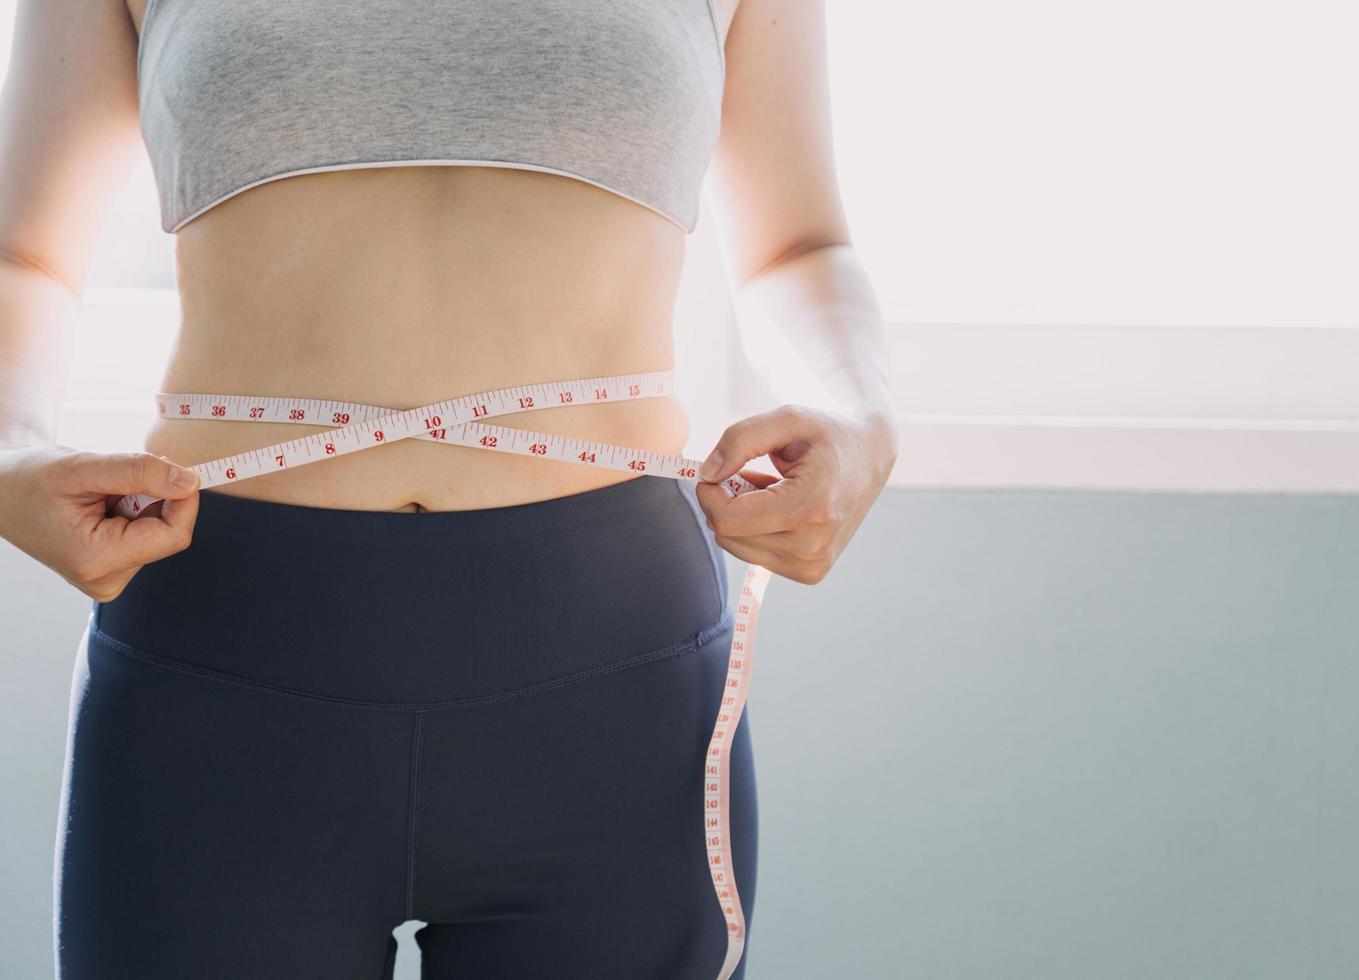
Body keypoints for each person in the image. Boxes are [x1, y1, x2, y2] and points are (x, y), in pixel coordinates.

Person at [0, 0, 897, 976]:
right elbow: (23, 252)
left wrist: (860, 417)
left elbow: (799, 245)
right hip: (224, 659)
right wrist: (7, 447)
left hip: (613, 675)